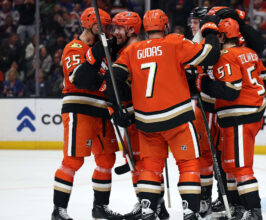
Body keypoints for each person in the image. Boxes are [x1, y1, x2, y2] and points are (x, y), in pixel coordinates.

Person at [106, 9, 220, 220]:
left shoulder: (132, 51)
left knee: (150, 166)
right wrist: (210, 28)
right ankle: (189, 211)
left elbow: (113, 79)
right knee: (188, 164)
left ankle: (148, 210)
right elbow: (210, 55)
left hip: (146, 121)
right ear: (166, 26)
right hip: (177, 118)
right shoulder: (175, 42)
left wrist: (119, 110)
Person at [194, 18, 266, 220]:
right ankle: (237, 208)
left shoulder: (226, 56)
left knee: (240, 167)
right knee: (229, 165)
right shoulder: (250, 52)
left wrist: (202, 83)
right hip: (244, 115)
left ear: (221, 36)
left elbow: (231, 92)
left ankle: (253, 212)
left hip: (240, 115)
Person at [51, 7, 123, 220]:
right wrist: (97, 53)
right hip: (79, 109)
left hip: (100, 111)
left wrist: (117, 108)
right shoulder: (74, 47)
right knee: (72, 161)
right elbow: (79, 79)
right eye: (103, 26)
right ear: (90, 24)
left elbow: (104, 84)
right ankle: (58, 210)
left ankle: (100, 207)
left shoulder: (102, 50)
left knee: (107, 158)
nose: (107, 30)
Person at [109, 10, 170, 220]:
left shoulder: (135, 51)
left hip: (139, 115)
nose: (114, 32)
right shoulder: (130, 50)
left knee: (144, 163)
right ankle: (151, 204)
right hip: (135, 114)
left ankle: (152, 205)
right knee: (139, 162)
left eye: (118, 28)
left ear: (131, 29)